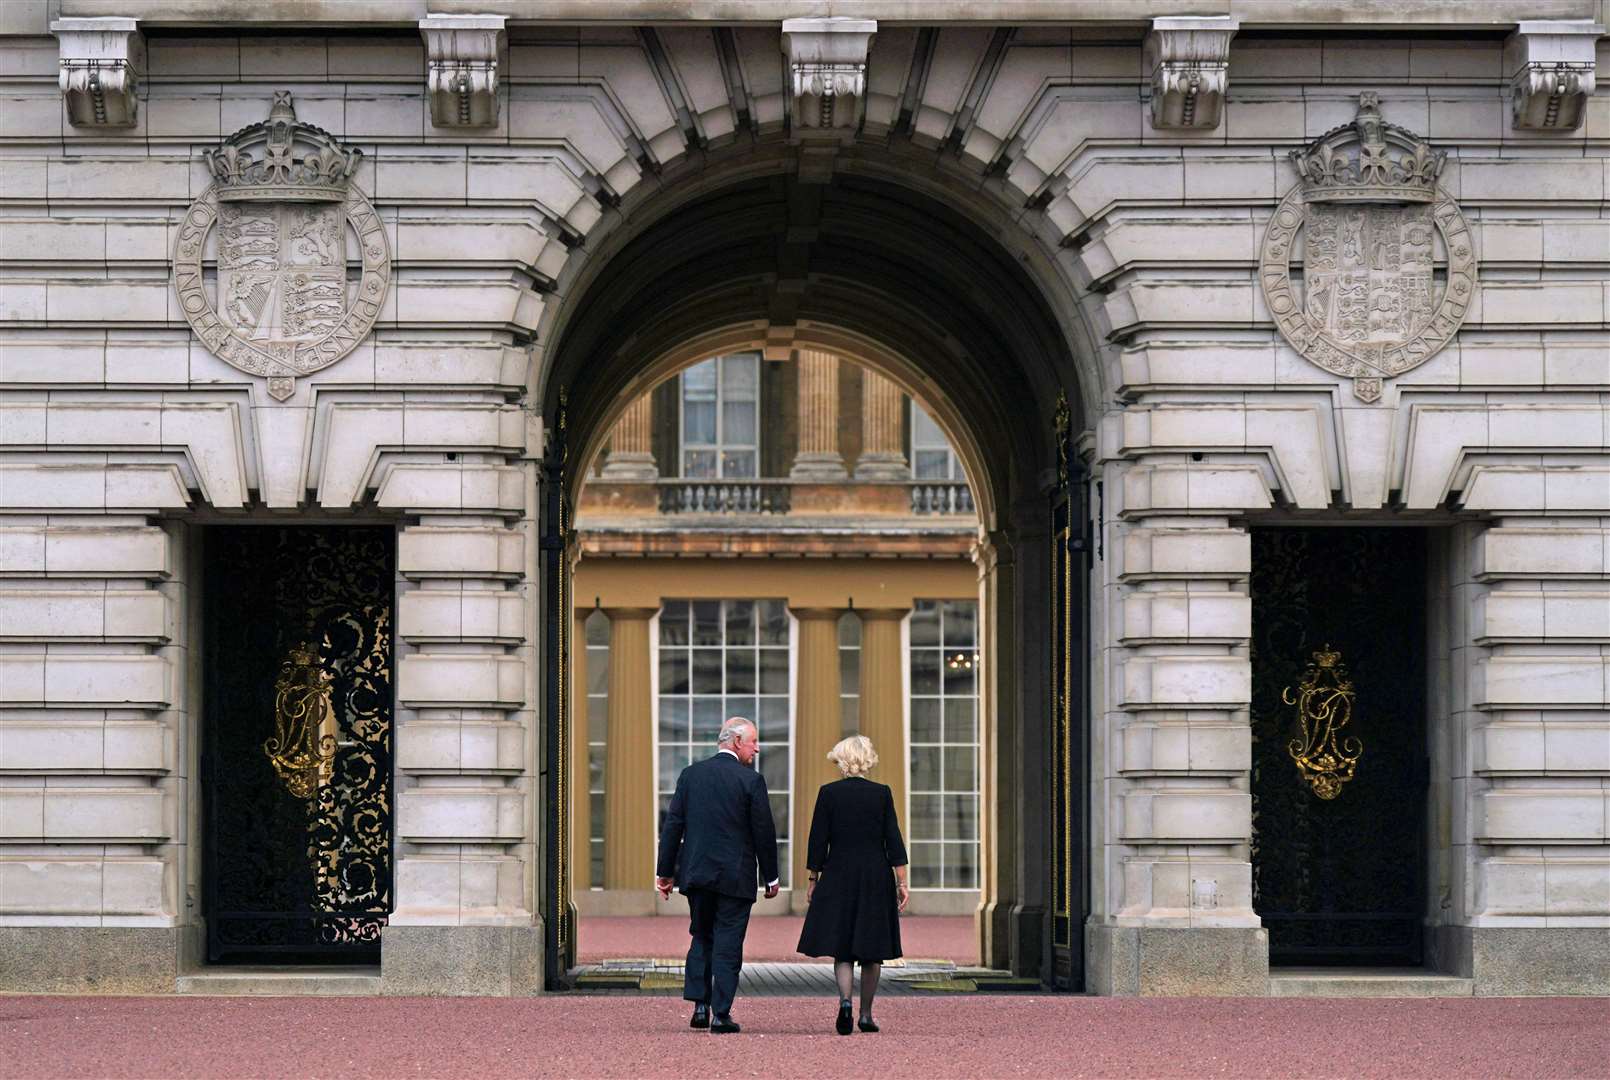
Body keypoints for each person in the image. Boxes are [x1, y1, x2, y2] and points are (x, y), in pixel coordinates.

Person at [655, 717, 780, 1035]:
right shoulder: (750, 781)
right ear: (737, 742)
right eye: (753, 741)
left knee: (702, 936)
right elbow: (763, 832)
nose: (757, 748)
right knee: (728, 944)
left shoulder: (690, 775)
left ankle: (700, 1006)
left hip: (697, 874)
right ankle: (721, 1014)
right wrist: (771, 877)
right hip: (735, 877)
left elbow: (674, 826)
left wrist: (665, 872)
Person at [796, 734, 910, 1035]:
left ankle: (845, 1001)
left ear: (841, 760)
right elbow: (893, 839)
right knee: (873, 950)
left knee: (842, 947)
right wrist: (902, 881)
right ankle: (866, 1014)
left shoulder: (828, 793)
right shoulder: (881, 793)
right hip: (874, 874)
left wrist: (813, 879)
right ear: (867, 759)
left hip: (838, 873)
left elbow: (818, 840)